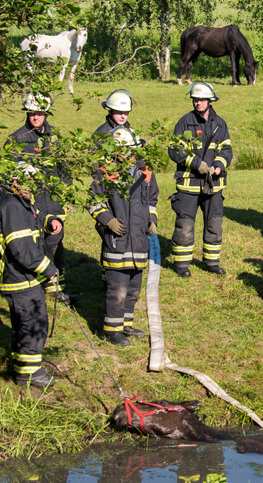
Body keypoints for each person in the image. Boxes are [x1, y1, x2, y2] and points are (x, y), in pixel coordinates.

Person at [0, 163, 63, 388]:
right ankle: (29, 374)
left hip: (23, 278)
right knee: (34, 323)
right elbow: (22, 250)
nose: (32, 188)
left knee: (23, 325)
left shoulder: (21, 203)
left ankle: (20, 364)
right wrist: (48, 268)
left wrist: (48, 221)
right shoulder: (12, 207)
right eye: (28, 183)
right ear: (15, 182)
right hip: (19, 279)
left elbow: (33, 226)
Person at [89, 126, 159, 347]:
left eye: (129, 150)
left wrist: (152, 220)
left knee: (133, 287)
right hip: (117, 242)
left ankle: (126, 324)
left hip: (138, 240)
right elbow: (93, 201)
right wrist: (107, 220)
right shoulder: (105, 172)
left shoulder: (146, 172)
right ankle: (111, 330)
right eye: (122, 150)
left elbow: (152, 200)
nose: (126, 154)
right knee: (117, 289)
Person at [7, 93, 70, 298]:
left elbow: (65, 172)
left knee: (54, 243)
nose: (36, 117)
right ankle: (35, 285)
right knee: (33, 246)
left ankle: (53, 287)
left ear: (46, 114)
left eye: (40, 113)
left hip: (53, 202)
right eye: (32, 113)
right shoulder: (16, 139)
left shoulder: (56, 138)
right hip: (29, 203)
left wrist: (67, 198)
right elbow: (5, 178)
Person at [167, 82, 233, 277]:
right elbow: (174, 150)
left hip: (213, 185)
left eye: (202, 99)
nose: (198, 103)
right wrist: (197, 164)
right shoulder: (184, 122)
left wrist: (219, 165)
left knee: (214, 224)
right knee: (185, 225)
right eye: (195, 100)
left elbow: (227, 149)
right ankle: (182, 264)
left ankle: (212, 262)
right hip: (189, 184)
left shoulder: (220, 123)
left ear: (210, 101)